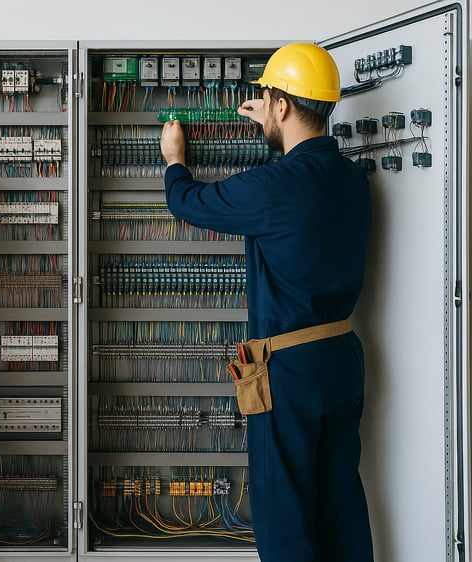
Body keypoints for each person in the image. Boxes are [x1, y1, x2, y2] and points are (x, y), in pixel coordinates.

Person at [160, 43, 374, 562]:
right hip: (342, 357)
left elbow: (185, 201)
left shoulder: (275, 187)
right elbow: (293, 199)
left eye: (267, 99)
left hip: (288, 372)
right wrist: (272, 125)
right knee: (341, 504)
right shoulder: (353, 180)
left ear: (280, 105)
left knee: (284, 518)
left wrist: (174, 159)